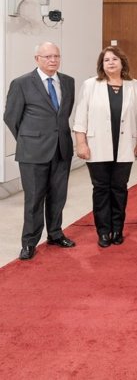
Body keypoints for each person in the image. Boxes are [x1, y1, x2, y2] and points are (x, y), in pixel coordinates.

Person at [4, 42, 76, 260]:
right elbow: (11, 117)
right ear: (37, 59)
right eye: (47, 57)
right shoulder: (22, 83)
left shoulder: (68, 82)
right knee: (34, 198)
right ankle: (29, 242)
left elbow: (63, 115)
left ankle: (55, 234)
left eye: (56, 56)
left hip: (61, 149)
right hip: (33, 152)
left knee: (58, 197)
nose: (53, 60)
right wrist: (28, 140)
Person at [73, 46, 137, 248]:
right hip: (96, 146)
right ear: (101, 65)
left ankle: (117, 229)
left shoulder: (135, 86)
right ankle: (103, 231)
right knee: (101, 189)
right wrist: (81, 143)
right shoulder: (90, 85)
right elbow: (81, 117)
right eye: (106, 60)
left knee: (119, 189)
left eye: (115, 59)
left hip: (126, 146)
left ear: (122, 62)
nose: (111, 63)